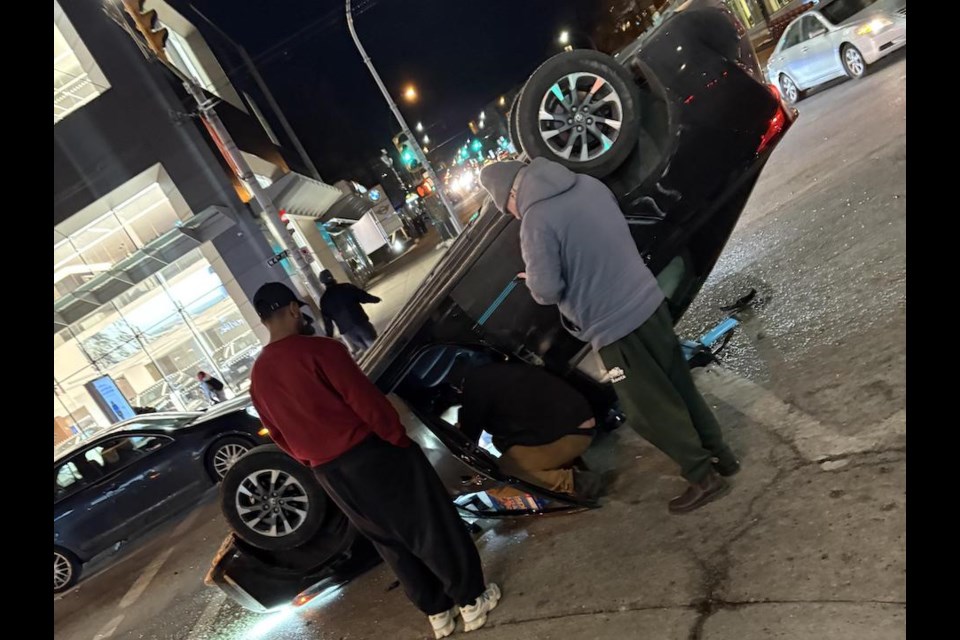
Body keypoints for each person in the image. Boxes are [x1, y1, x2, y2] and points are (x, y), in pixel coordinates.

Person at [479, 158, 740, 514]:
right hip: (649, 301)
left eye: (507, 207)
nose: (513, 214)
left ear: (511, 192)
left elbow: (546, 289)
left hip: (615, 325)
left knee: (646, 408)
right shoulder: (585, 183)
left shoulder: (537, 220)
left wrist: (532, 279)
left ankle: (702, 476)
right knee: (678, 384)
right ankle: (723, 457)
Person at [248, 282, 501, 638]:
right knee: (429, 523)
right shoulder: (320, 350)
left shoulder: (258, 377)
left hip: (329, 473)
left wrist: (313, 461)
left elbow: (278, 435)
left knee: (389, 541)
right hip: (371, 454)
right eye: (300, 311)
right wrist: (396, 438)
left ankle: (437, 613)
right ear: (292, 310)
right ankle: (472, 600)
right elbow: (364, 401)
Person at [451, 360, 603, 501]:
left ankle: (577, 483)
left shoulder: (475, 386)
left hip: (569, 435)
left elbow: (467, 439)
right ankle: (568, 466)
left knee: (494, 481)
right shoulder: (496, 370)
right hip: (583, 424)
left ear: (459, 385)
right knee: (499, 442)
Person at [318, 269, 382, 356]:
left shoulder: (324, 300)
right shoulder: (346, 287)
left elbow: (327, 321)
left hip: (348, 330)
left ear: (323, 283)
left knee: (366, 350)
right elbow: (362, 296)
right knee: (375, 346)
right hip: (360, 322)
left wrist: (329, 335)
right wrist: (375, 299)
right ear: (333, 277)